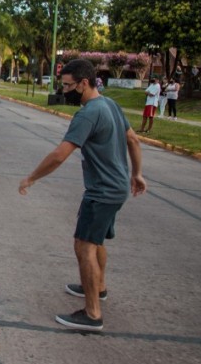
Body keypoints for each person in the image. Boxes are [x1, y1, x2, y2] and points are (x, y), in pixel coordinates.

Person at [19, 59, 146, 332]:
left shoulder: (88, 113)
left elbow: (59, 155)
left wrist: (31, 178)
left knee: (84, 246)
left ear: (84, 83)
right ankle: (98, 288)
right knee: (97, 242)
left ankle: (92, 314)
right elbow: (133, 139)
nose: (65, 91)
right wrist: (136, 174)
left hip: (101, 192)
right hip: (117, 188)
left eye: (68, 85)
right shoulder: (110, 104)